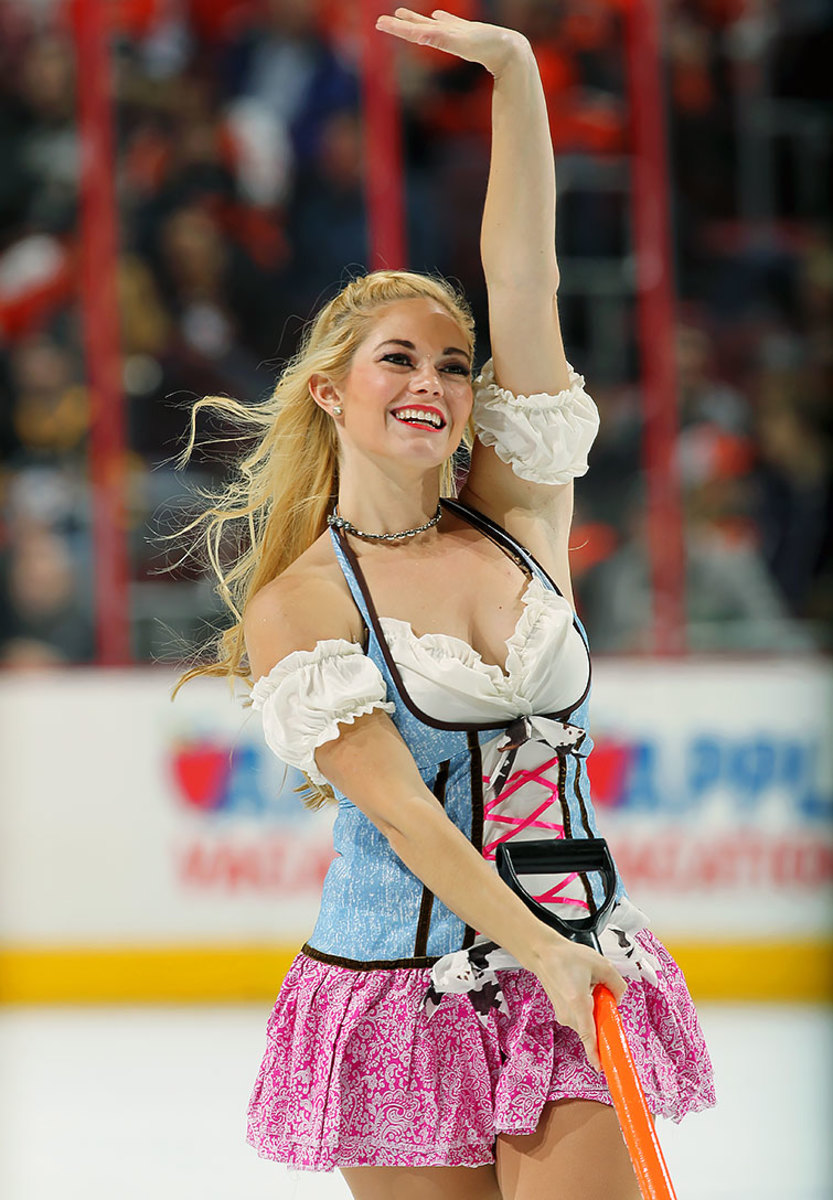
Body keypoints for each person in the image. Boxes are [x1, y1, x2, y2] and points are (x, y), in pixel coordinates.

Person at [178, 10, 715, 1198]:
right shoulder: (302, 603)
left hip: (571, 962)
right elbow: (415, 824)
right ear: (330, 391)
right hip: (395, 995)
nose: (433, 380)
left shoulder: (519, 512)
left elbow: (525, 277)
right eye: (398, 359)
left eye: (453, 365)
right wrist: (538, 952)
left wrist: (514, 75)